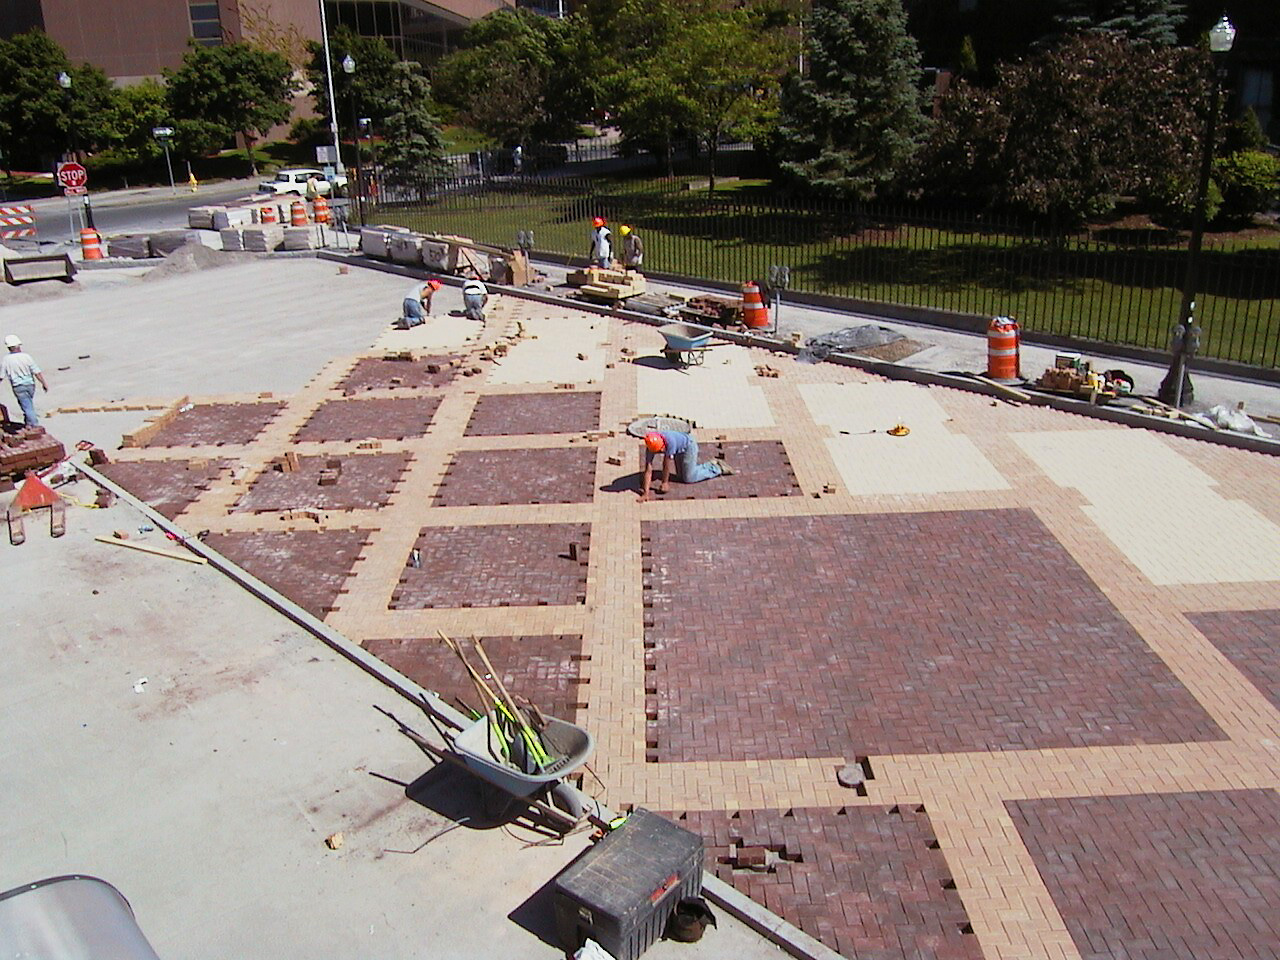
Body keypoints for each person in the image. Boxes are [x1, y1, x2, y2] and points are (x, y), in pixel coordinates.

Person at [639, 430, 732, 501]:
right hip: (678, 449)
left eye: (663, 448)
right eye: (661, 450)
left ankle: (716, 468)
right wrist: (646, 493)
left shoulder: (670, 442)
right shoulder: (650, 445)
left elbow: (666, 465)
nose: (663, 450)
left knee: (689, 478)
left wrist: (665, 483)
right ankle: (710, 465)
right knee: (681, 477)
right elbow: (648, 469)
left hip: (688, 446)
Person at [1, 335, 48, 427]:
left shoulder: (6, 360)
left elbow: (1, 376)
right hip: (30, 385)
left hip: (18, 387)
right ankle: (28, 424)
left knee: (27, 406)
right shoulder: (26, 357)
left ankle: (34, 425)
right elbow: (36, 371)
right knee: (28, 404)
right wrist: (44, 383)